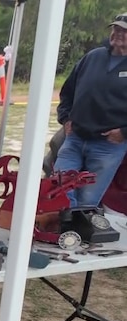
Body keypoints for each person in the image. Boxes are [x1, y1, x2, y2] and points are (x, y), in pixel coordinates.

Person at [54, 13, 127, 208]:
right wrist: (65, 118)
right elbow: (67, 91)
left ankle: (76, 237)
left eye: (124, 31)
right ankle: (59, 234)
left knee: (86, 203)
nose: (119, 34)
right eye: (116, 29)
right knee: (58, 191)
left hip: (108, 146)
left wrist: (124, 133)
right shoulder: (92, 57)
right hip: (74, 138)